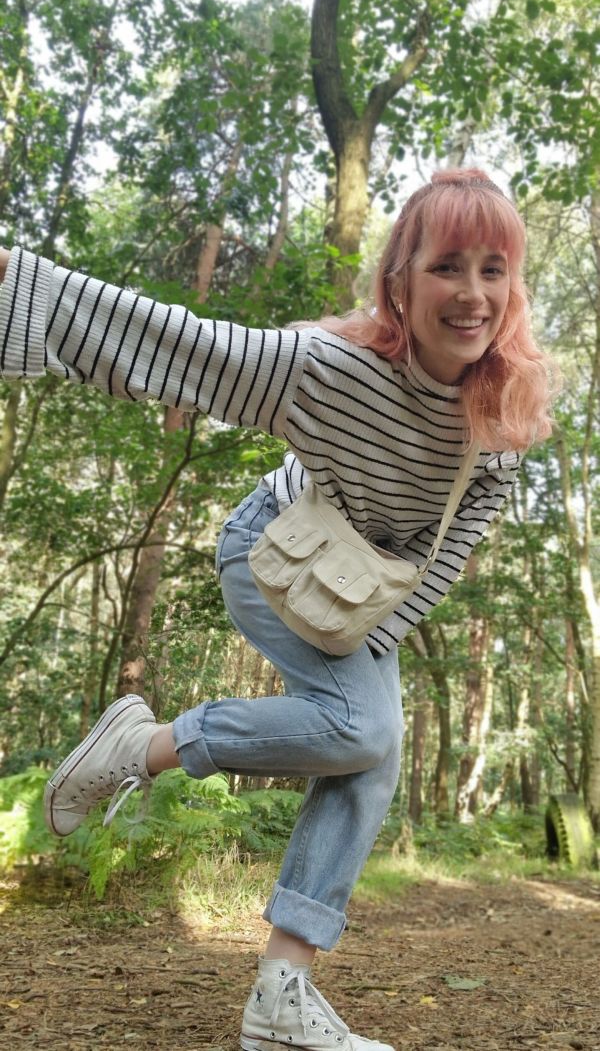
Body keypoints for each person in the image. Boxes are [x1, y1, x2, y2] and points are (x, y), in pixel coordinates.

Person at [0, 168, 553, 1051]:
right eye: (449, 265)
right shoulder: (330, 371)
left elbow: (446, 554)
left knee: (370, 746)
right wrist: (21, 286)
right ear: (400, 283)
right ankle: (142, 747)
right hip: (269, 556)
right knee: (365, 732)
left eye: (496, 269)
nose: (473, 293)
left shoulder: (504, 419)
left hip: (367, 597)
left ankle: (280, 995)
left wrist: (372, 646)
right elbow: (184, 347)